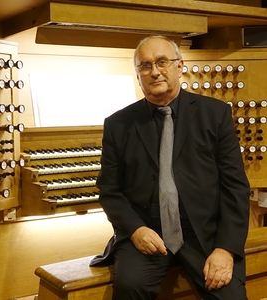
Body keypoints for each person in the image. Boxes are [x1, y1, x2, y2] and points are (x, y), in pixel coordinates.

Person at [90, 35, 250, 300]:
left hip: (204, 233)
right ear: (138, 74)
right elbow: (109, 190)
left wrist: (225, 249)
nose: (154, 71)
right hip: (146, 233)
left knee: (231, 297)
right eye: (145, 65)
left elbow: (235, 187)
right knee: (130, 287)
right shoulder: (118, 124)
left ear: (180, 66)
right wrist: (136, 230)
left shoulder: (215, 114)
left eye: (162, 62)